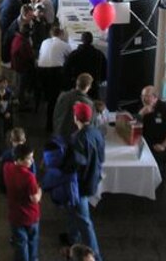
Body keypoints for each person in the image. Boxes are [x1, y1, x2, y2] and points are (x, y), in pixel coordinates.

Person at [66, 102, 105, 259]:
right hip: (92, 180)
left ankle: (95, 256)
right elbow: (101, 157)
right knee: (75, 212)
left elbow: (75, 165)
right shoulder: (97, 133)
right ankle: (72, 239)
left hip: (80, 185)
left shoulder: (77, 138)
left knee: (84, 221)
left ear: (76, 118)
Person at [3, 143, 41, 261]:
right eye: (29, 158)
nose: (32, 161)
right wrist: (39, 191)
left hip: (15, 215)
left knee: (20, 243)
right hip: (30, 215)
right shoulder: (29, 177)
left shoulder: (7, 168)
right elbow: (34, 198)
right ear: (19, 160)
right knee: (32, 242)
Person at [37, 25, 72, 132]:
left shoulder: (44, 42)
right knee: (53, 98)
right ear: (61, 34)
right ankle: (51, 124)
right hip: (55, 73)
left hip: (41, 72)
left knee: (50, 96)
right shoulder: (64, 45)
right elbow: (70, 57)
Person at [63, 32, 107, 99]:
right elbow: (105, 69)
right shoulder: (99, 54)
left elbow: (66, 68)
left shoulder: (74, 54)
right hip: (93, 83)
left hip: (77, 84)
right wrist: (100, 80)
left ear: (82, 40)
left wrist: (70, 83)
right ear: (92, 40)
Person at [53, 73, 94, 140]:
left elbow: (56, 114)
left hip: (59, 133)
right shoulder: (88, 103)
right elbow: (90, 125)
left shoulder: (62, 96)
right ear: (88, 86)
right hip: (75, 139)